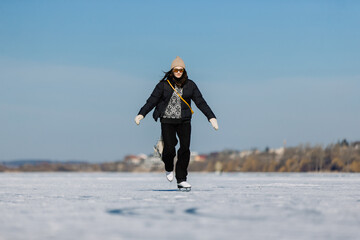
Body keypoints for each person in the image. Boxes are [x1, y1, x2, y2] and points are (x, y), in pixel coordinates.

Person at [134, 56, 218, 190]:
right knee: (169, 148)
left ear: (184, 71)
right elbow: (152, 101)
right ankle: (168, 166)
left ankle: (182, 179)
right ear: (172, 71)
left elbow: (201, 102)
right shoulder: (163, 85)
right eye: (176, 70)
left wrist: (211, 117)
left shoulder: (190, 85)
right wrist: (141, 114)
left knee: (185, 149)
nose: (178, 72)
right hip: (167, 120)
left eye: (181, 70)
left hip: (184, 120)